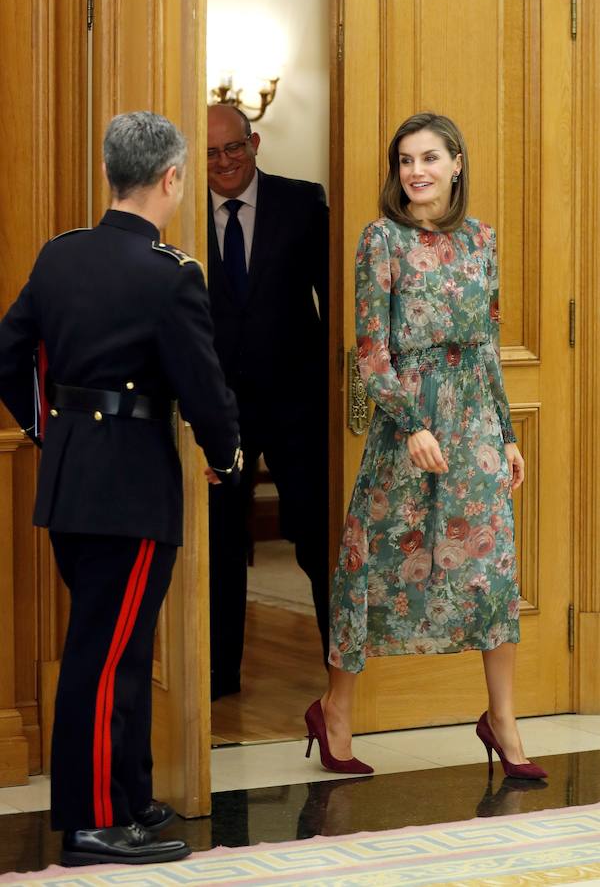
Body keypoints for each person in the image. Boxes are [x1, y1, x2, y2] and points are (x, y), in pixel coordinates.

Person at [0, 111, 241, 866]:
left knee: (119, 646)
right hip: (130, 489)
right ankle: (94, 821)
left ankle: (129, 796)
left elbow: (8, 356)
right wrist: (227, 455)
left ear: (110, 173)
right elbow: (203, 387)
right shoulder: (171, 275)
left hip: (71, 479)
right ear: (172, 178)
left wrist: (46, 429)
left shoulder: (59, 256)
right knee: (105, 656)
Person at [304, 111, 547, 781]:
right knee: (371, 566)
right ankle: (335, 709)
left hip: (475, 431)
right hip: (406, 428)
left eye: (430, 158)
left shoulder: (482, 240)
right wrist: (412, 423)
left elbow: (487, 345)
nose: (416, 172)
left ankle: (502, 721)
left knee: (492, 573)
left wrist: (507, 433)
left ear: (456, 163)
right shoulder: (380, 238)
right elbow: (371, 353)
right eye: (405, 160)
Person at [206, 104, 329, 700]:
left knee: (317, 536)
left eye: (234, 147)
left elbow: (334, 299)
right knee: (220, 543)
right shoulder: (181, 214)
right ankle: (217, 678)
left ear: (254, 143)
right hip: (217, 408)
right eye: (211, 153)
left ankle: (343, 672)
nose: (225, 161)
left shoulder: (302, 203)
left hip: (296, 405)